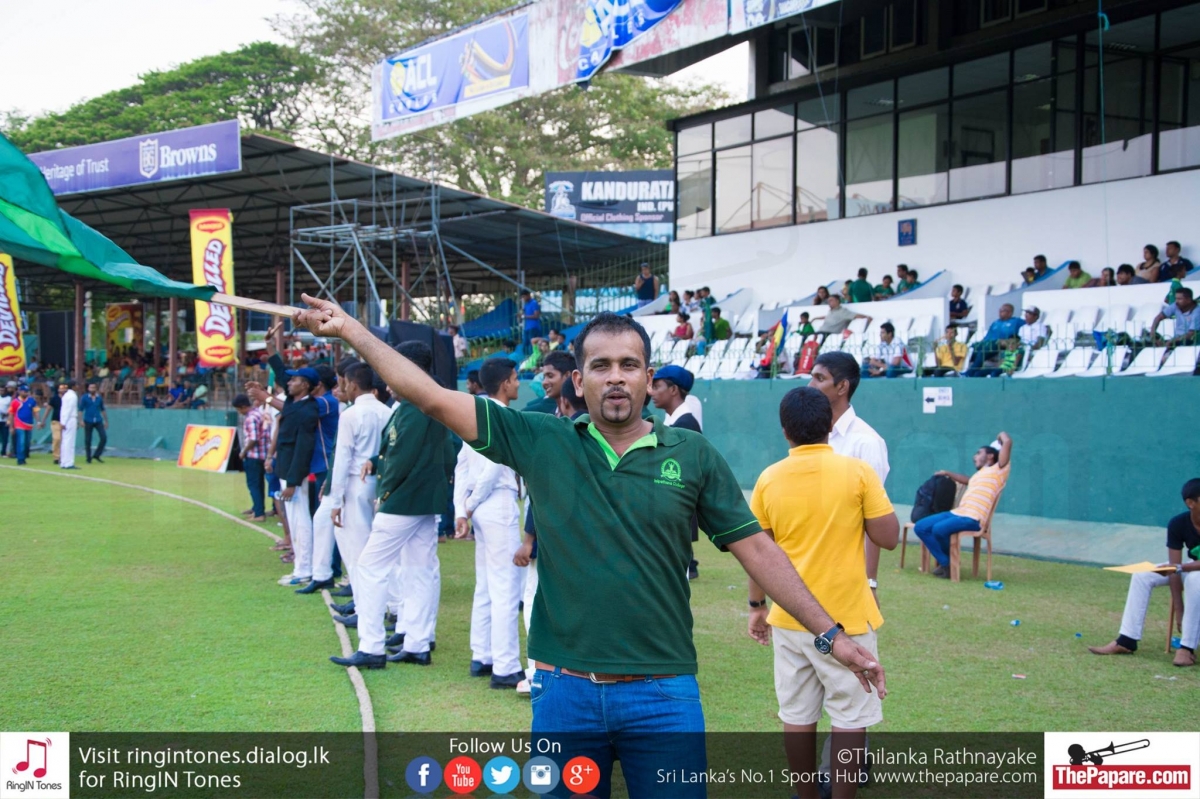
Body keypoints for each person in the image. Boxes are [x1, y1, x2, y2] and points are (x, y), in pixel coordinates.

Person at [292, 297, 886, 797]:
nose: (616, 377)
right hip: (564, 694)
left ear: (648, 378)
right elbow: (428, 395)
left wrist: (831, 635)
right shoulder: (541, 439)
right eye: (600, 365)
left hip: (664, 692)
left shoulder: (692, 455)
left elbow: (758, 550)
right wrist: (352, 330)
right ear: (579, 381)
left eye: (630, 365)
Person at [748, 387, 899, 799]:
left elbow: (758, 554)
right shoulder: (858, 473)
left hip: (790, 618)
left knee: (797, 715)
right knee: (850, 718)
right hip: (848, 621)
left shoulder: (768, 479)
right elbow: (888, 538)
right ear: (830, 425)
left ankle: (806, 795)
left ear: (785, 431)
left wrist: (756, 606)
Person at [330, 341, 454, 670]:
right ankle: (417, 643)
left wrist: (385, 494)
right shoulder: (428, 397)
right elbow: (441, 452)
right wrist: (376, 459)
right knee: (419, 570)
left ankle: (372, 647)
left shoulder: (417, 402)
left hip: (403, 498)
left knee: (370, 567)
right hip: (424, 496)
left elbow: (402, 457)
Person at [456, 358, 525, 689]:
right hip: (495, 502)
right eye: (515, 378)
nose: (518, 383)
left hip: (480, 504)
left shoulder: (474, 412)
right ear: (505, 383)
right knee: (505, 587)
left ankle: (482, 655)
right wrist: (468, 506)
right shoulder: (502, 415)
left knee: (486, 585)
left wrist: (461, 508)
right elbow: (495, 467)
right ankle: (505, 666)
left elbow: (461, 466)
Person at [1088, 479, 1200, 668]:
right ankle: (1126, 641)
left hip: (1193, 572)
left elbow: (1178, 568)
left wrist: (1180, 568)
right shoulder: (1178, 523)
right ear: (1191, 503)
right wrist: (1179, 608)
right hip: (1188, 567)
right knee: (1142, 575)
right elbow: (1173, 567)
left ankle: (1187, 648)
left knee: (1195, 579)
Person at [808, 352, 891, 605]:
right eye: (812, 377)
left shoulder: (867, 442)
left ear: (842, 387)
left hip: (846, 575)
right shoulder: (810, 433)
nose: (810, 385)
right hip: (807, 563)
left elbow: (873, 517)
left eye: (819, 378)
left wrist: (870, 582)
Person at [326, 363, 393, 610]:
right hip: (381, 481)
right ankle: (379, 602)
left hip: (356, 482)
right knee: (378, 547)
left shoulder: (351, 414)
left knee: (358, 547)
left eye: (344, 383)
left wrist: (335, 500)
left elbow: (342, 458)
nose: (342, 388)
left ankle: (363, 605)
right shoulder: (387, 411)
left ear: (353, 385)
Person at [915, 433, 1013, 578]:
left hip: (974, 518)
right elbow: (967, 480)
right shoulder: (980, 475)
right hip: (959, 513)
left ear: (990, 456)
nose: (974, 457)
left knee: (938, 529)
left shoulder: (999, 471)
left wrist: (1002, 435)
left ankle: (948, 565)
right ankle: (947, 563)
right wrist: (947, 473)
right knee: (921, 527)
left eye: (978, 453)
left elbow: (1008, 442)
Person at [648, 364, 703, 581]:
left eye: (657, 386)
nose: (652, 392)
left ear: (673, 390)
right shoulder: (671, 423)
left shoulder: (686, 424)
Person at [273, 367, 320, 587]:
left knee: (301, 522)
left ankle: (304, 570)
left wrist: (292, 482)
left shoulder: (307, 409)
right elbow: (281, 376)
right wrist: (271, 351)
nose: (289, 383)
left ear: (306, 385)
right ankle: (299, 568)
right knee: (294, 521)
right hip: (286, 471)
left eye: (295, 380)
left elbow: (303, 448)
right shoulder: (294, 403)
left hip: (295, 475)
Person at [233, 394, 268, 521]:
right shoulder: (259, 413)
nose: (239, 412)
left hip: (254, 455)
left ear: (243, 406)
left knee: (254, 484)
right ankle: (257, 508)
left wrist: (243, 452)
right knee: (259, 484)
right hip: (263, 454)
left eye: (239, 409)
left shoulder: (251, 418)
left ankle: (259, 514)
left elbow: (253, 438)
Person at [965, 304, 1023, 376]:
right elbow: (988, 336)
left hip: (999, 344)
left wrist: (1009, 341)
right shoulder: (995, 322)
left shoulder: (1017, 321)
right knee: (970, 348)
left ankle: (970, 372)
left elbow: (1027, 328)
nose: (1000, 312)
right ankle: (962, 369)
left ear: (1010, 313)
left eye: (1003, 310)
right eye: (1000, 310)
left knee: (983, 352)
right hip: (987, 343)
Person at [79, 382, 108, 464]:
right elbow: (81, 409)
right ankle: (88, 458)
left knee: (103, 437)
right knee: (88, 440)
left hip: (98, 420)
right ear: (88, 389)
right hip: (88, 420)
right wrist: (80, 420)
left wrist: (106, 421)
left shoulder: (99, 398)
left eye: (93, 387)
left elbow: (102, 409)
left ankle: (97, 454)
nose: (92, 389)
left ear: (96, 389)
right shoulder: (84, 398)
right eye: (91, 387)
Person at [9, 384, 35, 465]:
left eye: (27, 391)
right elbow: (11, 414)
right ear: (20, 392)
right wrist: (11, 426)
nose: (25, 393)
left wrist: (38, 421)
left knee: (27, 443)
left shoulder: (31, 401)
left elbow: (35, 411)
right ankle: (20, 459)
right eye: (24, 391)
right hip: (19, 424)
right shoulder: (15, 402)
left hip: (29, 424)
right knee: (21, 442)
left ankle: (24, 456)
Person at [59, 379, 79, 470]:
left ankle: (64, 461)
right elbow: (69, 410)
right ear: (74, 386)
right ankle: (68, 462)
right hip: (70, 419)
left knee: (65, 441)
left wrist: (62, 421)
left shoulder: (66, 395)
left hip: (65, 419)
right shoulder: (73, 396)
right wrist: (64, 422)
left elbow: (63, 410)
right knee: (69, 442)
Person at [44, 382, 63, 464]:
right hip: (56, 421)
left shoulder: (68, 398)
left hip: (65, 422)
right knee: (57, 438)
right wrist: (43, 420)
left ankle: (63, 456)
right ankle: (56, 457)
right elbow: (48, 409)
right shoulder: (54, 398)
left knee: (64, 440)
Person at [520, 289, 541, 356]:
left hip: (533, 327)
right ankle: (527, 358)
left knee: (532, 346)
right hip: (527, 327)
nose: (523, 298)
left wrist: (524, 316)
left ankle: (534, 358)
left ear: (528, 295)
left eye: (524, 296)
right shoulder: (526, 304)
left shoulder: (534, 303)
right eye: (522, 297)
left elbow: (536, 316)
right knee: (525, 346)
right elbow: (523, 312)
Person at [0, 384, 10, 458]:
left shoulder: (9, 399)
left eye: (2, 390)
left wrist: (6, 414)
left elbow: (11, 409)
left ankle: (3, 452)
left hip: (5, 420)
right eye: (0, 390)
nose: (1, 391)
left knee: (5, 437)